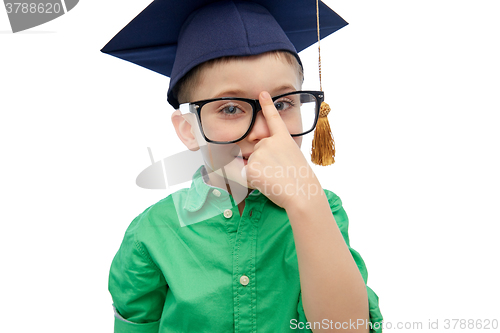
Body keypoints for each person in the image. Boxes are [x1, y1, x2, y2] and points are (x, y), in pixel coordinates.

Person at [102, 1, 383, 332]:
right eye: (231, 109)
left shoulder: (323, 212)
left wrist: (306, 202)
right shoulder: (152, 234)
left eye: (281, 104)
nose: (265, 130)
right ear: (189, 130)